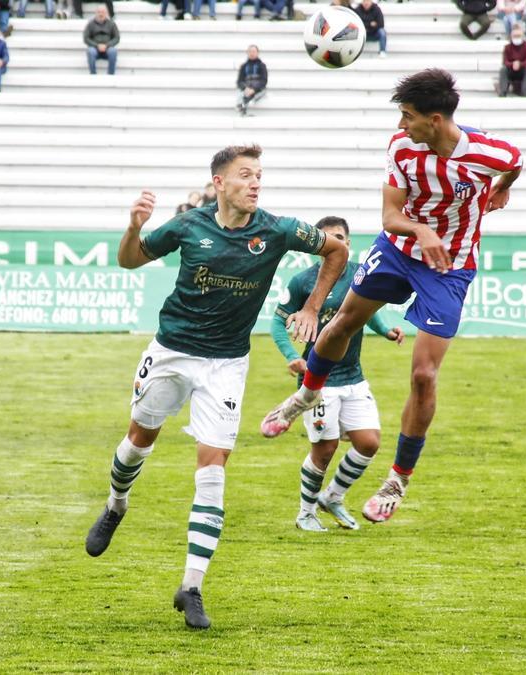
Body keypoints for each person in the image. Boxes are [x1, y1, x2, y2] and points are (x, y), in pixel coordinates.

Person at [83, 145, 348, 630]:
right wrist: (133, 227)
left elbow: (337, 250)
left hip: (227, 363)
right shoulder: (189, 226)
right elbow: (129, 261)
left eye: (260, 176)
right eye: (245, 175)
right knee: (138, 440)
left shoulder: (278, 229)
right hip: (171, 352)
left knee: (214, 465)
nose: (255, 183)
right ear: (219, 183)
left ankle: (192, 586)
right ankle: (115, 505)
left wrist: (311, 308)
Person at [259, 69, 523, 526]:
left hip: (451, 266)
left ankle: (398, 478)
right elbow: (389, 215)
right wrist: (421, 229)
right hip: (399, 251)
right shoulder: (402, 147)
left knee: (424, 374)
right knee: (341, 322)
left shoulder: (487, 152)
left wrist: (501, 189)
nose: (402, 125)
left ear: (435, 119)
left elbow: (515, 161)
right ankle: (303, 396)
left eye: (408, 116)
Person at [272, 217, 404, 532]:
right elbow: (278, 323)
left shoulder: (361, 274)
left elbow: (364, 312)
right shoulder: (303, 282)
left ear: (349, 242)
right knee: (325, 448)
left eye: (342, 237)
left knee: (369, 442)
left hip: (353, 376)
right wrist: (292, 356)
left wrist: (385, 331)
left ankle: (332, 497)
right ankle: (305, 513)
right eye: (330, 238)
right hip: (319, 380)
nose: (338, 243)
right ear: (319, 245)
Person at [497, 23, 526, 97]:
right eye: (515, 36)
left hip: (522, 70)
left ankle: (525, 93)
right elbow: (505, 61)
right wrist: (512, 64)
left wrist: (520, 64)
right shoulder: (507, 47)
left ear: (522, 37)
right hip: (511, 70)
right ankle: (503, 93)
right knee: (503, 69)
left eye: (518, 36)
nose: (517, 38)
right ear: (511, 37)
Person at [83, 5, 118, 75]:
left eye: (103, 12)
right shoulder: (90, 24)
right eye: (99, 12)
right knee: (90, 51)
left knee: (113, 51)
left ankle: (111, 75)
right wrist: (97, 45)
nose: (101, 14)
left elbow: (117, 38)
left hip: (107, 48)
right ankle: (93, 74)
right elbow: (86, 38)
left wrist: (107, 45)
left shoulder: (112, 24)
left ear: (106, 13)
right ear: (96, 13)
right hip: (95, 48)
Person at [235, 44, 266, 116]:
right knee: (240, 93)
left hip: (258, 90)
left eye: (254, 51)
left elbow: (264, 81)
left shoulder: (262, 65)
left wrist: (254, 89)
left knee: (261, 92)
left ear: (258, 53)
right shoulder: (244, 66)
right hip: (247, 89)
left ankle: (245, 104)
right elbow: (239, 81)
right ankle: (242, 106)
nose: (252, 53)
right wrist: (245, 88)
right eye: (250, 51)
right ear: (247, 53)